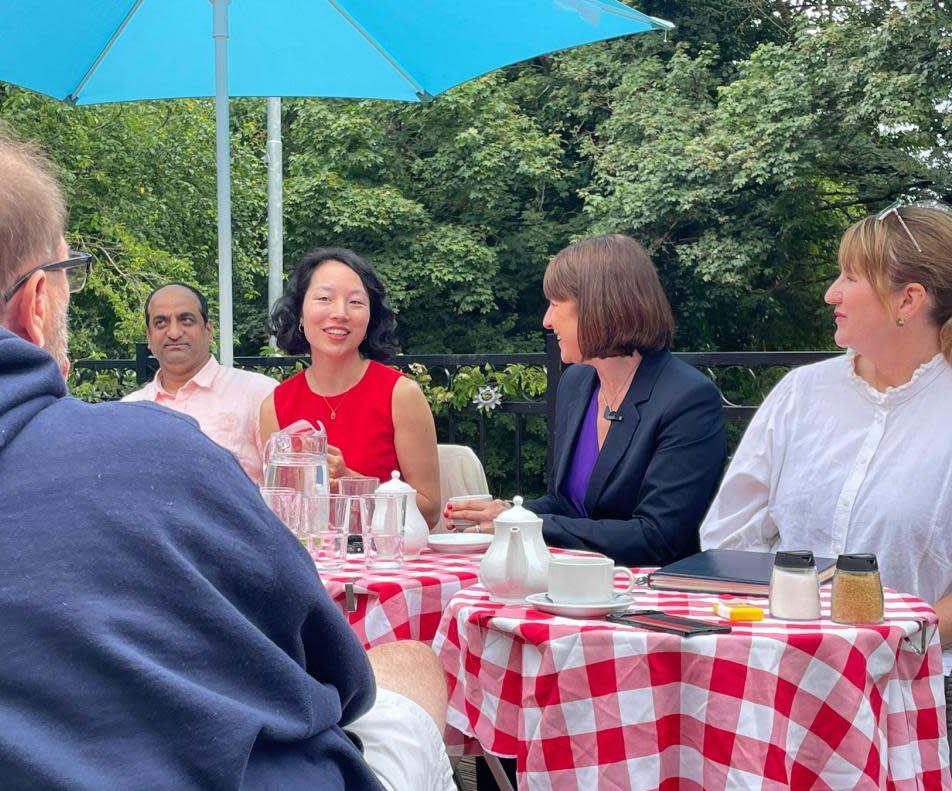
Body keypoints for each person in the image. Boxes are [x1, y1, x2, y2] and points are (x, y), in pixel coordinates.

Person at [0, 118, 454, 791]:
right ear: (35, 303)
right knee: (411, 667)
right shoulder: (154, 453)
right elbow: (329, 678)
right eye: (67, 272)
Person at [701, 203, 952, 663]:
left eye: (850, 277)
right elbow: (731, 536)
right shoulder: (802, 393)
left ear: (908, 300)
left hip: (918, 685)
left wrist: (891, 647)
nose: (831, 294)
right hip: (780, 669)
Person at [447, 234, 727, 568]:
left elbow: (658, 538)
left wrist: (530, 525)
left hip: (651, 599)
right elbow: (565, 504)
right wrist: (510, 512)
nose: (546, 321)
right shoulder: (576, 383)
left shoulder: (689, 399)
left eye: (555, 303)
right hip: (574, 582)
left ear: (600, 306)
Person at [260, 247, 440, 527]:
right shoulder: (275, 404)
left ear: (370, 318)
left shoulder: (401, 394)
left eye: (356, 302)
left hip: (383, 561)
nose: (340, 313)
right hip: (309, 559)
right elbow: (277, 510)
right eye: (324, 299)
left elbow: (429, 510)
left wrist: (350, 482)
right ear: (299, 314)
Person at [123, 283, 277, 483]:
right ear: (149, 337)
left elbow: (288, 489)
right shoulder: (128, 410)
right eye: (161, 323)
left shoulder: (259, 394)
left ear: (208, 330)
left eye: (186, 320)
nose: (174, 333)